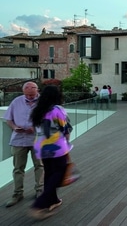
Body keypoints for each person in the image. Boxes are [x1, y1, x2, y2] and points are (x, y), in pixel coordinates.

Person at [29, 85, 72, 220]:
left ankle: (52, 200)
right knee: (58, 175)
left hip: (40, 147)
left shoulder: (37, 110)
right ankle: (39, 205)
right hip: (56, 147)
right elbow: (65, 129)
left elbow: (35, 129)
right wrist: (67, 142)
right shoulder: (57, 110)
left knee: (49, 173)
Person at [4, 81, 44, 207]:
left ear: (37, 90)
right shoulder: (16, 101)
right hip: (19, 139)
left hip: (37, 139)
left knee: (40, 166)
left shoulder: (43, 102)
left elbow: (49, 120)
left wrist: (35, 127)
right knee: (18, 168)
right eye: (27, 95)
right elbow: (8, 119)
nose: (30, 97)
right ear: (23, 92)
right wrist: (15, 127)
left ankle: (40, 191)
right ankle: (17, 194)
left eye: (32, 95)